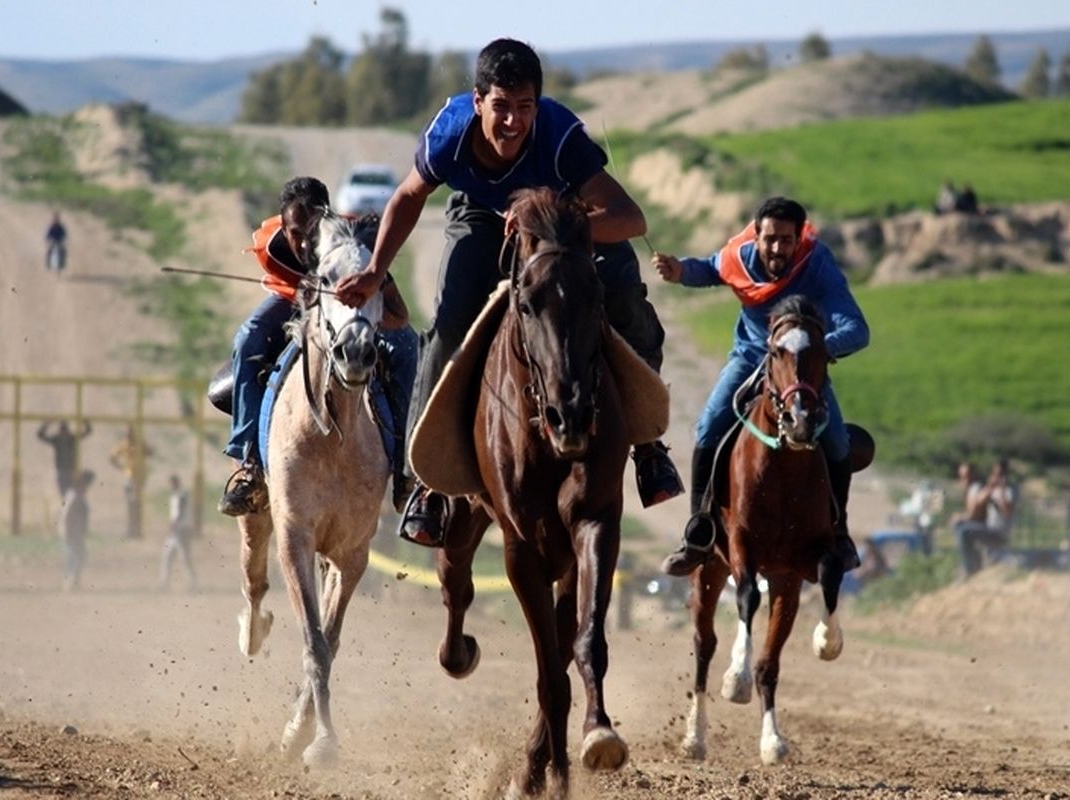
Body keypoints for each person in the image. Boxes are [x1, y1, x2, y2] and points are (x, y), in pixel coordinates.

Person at [332, 37, 683, 546]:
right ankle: (427, 485)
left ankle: (648, 447)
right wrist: (375, 271)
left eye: (525, 108)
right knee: (451, 325)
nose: (514, 122)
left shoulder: (561, 135)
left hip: (563, 225)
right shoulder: (449, 134)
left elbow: (631, 218)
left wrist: (551, 223)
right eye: (501, 107)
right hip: (480, 217)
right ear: (478, 103)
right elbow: (408, 196)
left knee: (625, 295)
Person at [652, 196, 870, 577]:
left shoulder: (816, 262)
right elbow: (711, 269)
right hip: (750, 358)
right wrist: (679, 271)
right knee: (707, 428)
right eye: (770, 239)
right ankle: (698, 532)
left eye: (787, 240)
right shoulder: (740, 255)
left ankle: (839, 532)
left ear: (799, 238)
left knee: (836, 441)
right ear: (757, 235)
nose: (777, 248)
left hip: (798, 370)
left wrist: (810, 351)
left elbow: (857, 329)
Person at [217, 176, 418, 517]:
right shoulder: (277, 248)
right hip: (291, 301)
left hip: (347, 316)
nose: (304, 243)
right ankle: (249, 463)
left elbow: (398, 315)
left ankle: (406, 471)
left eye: (311, 228)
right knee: (248, 336)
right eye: (296, 232)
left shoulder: (349, 245)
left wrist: (362, 304)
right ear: (284, 227)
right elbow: (293, 293)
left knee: (409, 347)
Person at [953, 458, 1016, 579]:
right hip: (988, 530)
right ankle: (973, 564)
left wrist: (1001, 490)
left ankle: (970, 569)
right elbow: (977, 503)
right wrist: (989, 487)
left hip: (999, 534)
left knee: (964, 532)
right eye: (995, 474)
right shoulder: (993, 489)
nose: (997, 477)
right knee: (961, 527)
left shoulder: (1011, 491)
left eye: (1000, 474)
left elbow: (1007, 512)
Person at [110, 425, 153, 539]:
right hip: (130, 477)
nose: (129, 436)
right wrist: (122, 468)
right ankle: (132, 530)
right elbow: (112, 458)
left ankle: (136, 529)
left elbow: (150, 452)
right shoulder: (124, 444)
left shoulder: (139, 443)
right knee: (132, 504)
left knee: (135, 504)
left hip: (139, 477)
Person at [159, 474, 198, 591]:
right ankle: (164, 584)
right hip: (176, 532)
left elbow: (179, 512)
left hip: (181, 530)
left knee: (184, 558)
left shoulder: (181, 496)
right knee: (168, 557)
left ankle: (192, 583)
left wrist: (173, 524)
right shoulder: (177, 495)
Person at [37, 419, 93, 497]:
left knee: (72, 493)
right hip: (62, 471)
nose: (64, 433)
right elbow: (40, 435)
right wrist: (46, 425)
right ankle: (67, 505)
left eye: (65, 430)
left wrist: (85, 422)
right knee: (65, 495)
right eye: (63, 430)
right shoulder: (58, 439)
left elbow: (88, 431)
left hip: (70, 471)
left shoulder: (71, 439)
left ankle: (73, 503)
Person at [59, 469, 94, 591]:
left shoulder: (76, 495)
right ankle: (70, 582)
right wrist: (70, 531)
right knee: (75, 556)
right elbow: (68, 515)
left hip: (74, 531)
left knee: (79, 555)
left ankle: (74, 581)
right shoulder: (74, 496)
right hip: (71, 531)